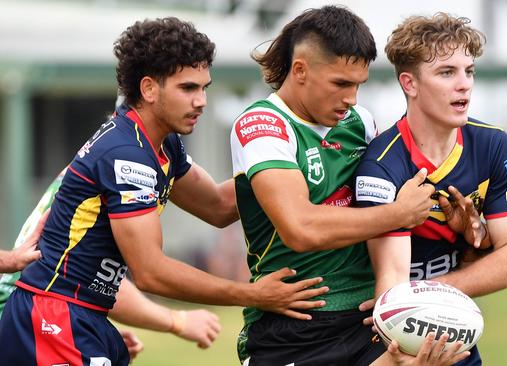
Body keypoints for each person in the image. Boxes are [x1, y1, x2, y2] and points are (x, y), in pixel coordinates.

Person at [0, 17, 327, 366]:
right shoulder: (126, 154)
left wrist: (285, 161)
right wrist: (253, 295)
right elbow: (150, 272)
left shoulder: (161, 144)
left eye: (204, 87)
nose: (201, 101)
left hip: (82, 315)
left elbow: (218, 206)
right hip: (52, 316)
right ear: (148, 89)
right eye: (188, 88)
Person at [230, 5, 446, 365]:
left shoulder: (360, 122)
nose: (352, 99)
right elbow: (300, 228)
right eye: (340, 84)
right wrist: (398, 213)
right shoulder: (264, 125)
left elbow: (393, 206)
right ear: (300, 70)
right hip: (293, 325)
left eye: (358, 85)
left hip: (367, 318)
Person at [354, 13, 507, 365]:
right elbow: (391, 282)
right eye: (447, 72)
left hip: (451, 324)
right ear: (410, 83)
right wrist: (407, 336)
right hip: (395, 339)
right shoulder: (381, 166)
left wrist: (439, 291)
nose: (464, 84)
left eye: (469, 71)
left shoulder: (493, 145)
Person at [0, 168, 222, 358]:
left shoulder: (99, 162)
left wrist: (90, 331)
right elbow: (88, 278)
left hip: (31, 320)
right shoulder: (115, 168)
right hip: (30, 324)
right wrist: (177, 320)